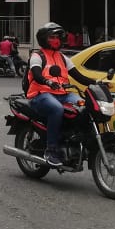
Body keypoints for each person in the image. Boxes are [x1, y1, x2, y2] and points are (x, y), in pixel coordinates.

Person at [26, 22, 79, 167]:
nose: (56, 40)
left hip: (62, 94)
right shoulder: (37, 56)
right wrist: (48, 82)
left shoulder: (62, 57)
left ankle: (73, 138)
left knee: (83, 105)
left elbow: (79, 76)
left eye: (58, 37)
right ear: (44, 39)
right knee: (57, 109)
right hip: (40, 94)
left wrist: (99, 81)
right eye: (52, 37)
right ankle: (51, 150)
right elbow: (36, 74)